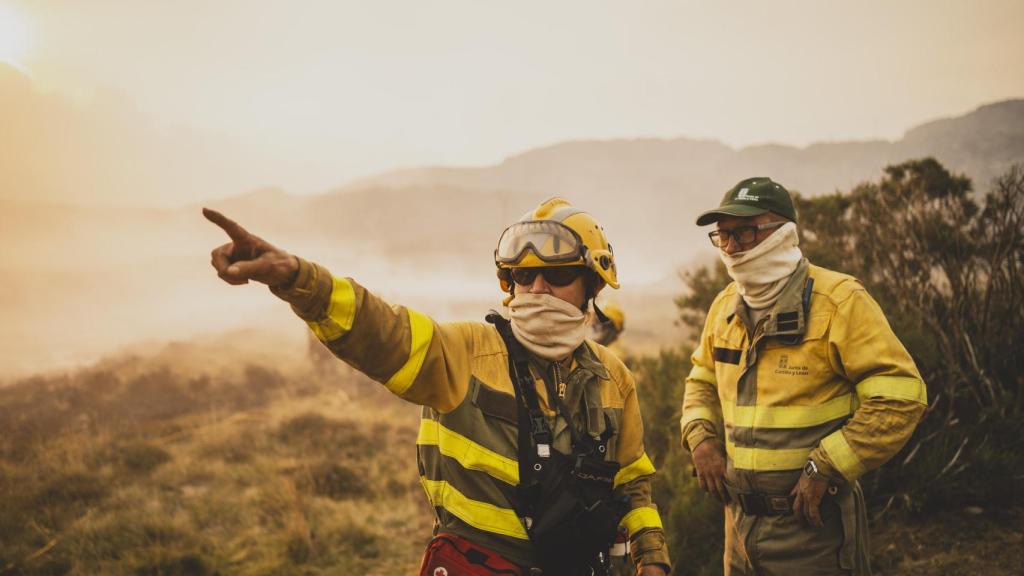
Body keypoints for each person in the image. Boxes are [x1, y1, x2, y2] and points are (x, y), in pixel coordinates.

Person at [204, 198, 671, 575]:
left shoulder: (613, 378)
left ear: (593, 283)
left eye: (560, 274)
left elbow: (632, 480)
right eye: (524, 276)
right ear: (509, 283)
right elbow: (383, 333)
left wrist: (651, 557)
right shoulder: (466, 351)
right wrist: (296, 279)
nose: (538, 288)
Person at [679, 177, 927, 575]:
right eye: (722, 236)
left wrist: (825, 466)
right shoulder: (724, 306)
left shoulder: (840, 300)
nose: (729, 248)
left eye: (743, 232)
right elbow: (701, 381)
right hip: (739, 531)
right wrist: (701, 438)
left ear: (783, 233)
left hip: (813, 532)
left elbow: (901, 397)